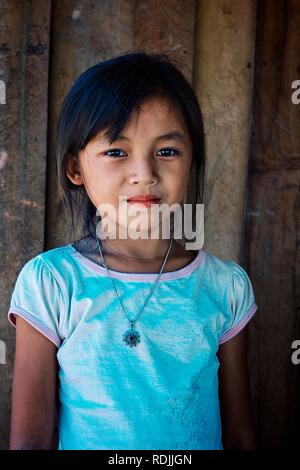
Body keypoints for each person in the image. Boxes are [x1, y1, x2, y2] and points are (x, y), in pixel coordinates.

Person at [7, 51, 258, 450]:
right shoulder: (51, 283)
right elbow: (29, 441)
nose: (144, 173)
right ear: (75, 168)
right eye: (116, 152)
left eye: (167, 151)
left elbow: (241, 435)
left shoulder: (225, 287)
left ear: (191, 161)